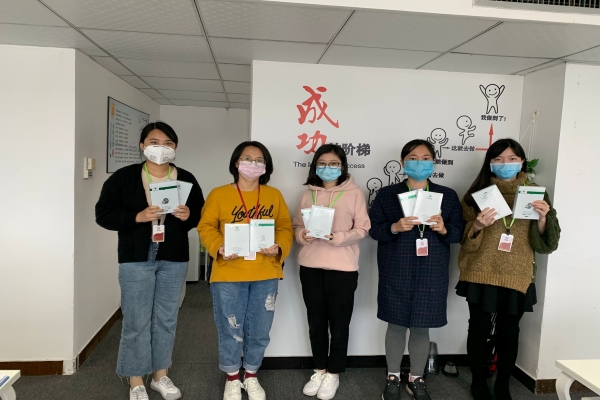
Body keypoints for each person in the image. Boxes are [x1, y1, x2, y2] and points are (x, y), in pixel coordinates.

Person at [96, 121, 204, 400]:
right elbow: (103, 214)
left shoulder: (186, 178)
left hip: (173, 256)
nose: (161, 148)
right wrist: (137, 217)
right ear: (142, 145)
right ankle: (135, 379)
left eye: (168, 143)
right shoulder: (124, 178)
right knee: (136, 320)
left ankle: (160, 375)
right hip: (136, 256)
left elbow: (200, 214)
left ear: (175, 147)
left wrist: (188, 216)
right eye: (154, 142)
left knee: (166, 318)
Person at [457, 139, 560, 400]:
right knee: (478, 329)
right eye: (499, 159)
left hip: (517, 275)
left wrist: (543, 218)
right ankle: (478, 382)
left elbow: (548, 244)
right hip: (481, 272)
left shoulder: (536, 194)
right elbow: (465, 241)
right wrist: (477, 226)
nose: (506, 164)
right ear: (490, 163)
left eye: (512, 158)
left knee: (509, 332)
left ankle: (503, 384)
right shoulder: (476, 194)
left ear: (522, 162)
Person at [369, 139, 465, 400]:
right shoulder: (387, 194)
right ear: (403, 162)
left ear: (433, 162)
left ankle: (416, 378)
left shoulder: (447, 195)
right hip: (396, 268)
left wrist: (443, 229)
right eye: (413, 158)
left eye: (425, 158)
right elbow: (374, 230)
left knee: (422, 327)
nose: (419, 163)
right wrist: (394, 227)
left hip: (431, 271)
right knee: (396, 325)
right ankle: (392, 376)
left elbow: (458, 232)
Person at [197, 141, 294, 400]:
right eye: (247, 158)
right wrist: (218, 247)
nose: (253, 164)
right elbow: (206, 227)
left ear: (266, 166)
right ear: (236, 163)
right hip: (228, 274)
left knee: (260, 329)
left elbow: (285, 228)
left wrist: (279, 246)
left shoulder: (274, 195)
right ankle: (232, 377)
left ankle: (251, 375)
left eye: (259, 160)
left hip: (265, 273)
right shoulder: (219, 194)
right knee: (230, 328)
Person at [292, 144, 371, 400]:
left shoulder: (355, 193)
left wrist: (338, 237)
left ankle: (334, 372)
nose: (328, 168)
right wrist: (302, 235)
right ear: (315, 166)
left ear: (343, 166)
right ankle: (320, 369)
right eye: (322, 163)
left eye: (334, 163)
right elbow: (296, 225)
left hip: (343, 268)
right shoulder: (307, 194)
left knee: (339, 324)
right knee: (316, 322)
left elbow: (363, 228)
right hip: (310, 267)